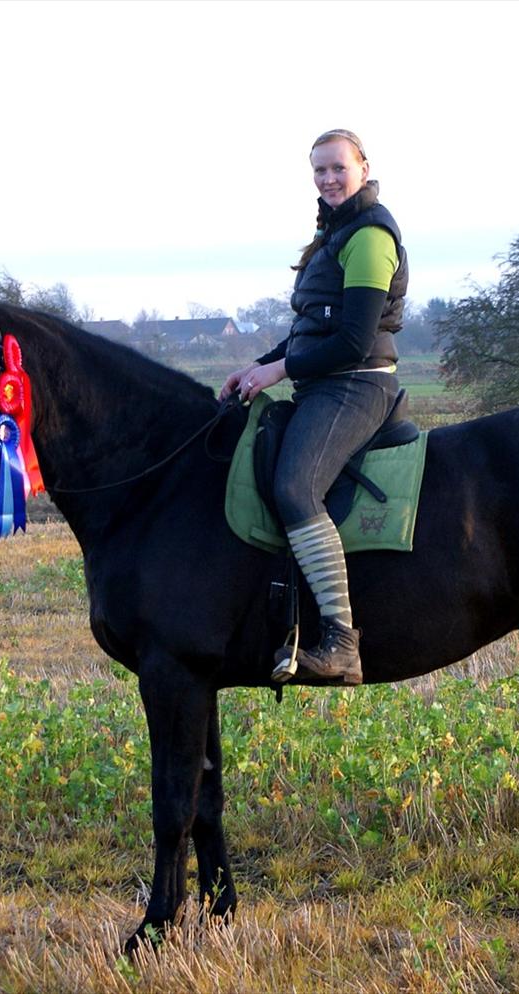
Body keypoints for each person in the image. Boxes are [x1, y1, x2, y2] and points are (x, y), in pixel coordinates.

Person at [220, 129, 408, 686]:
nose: (328, 179)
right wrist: (255, 366)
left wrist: (279, 371)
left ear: (363, 167)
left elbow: (351, 341)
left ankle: (341, 642)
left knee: (294, 488)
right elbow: (311, 332)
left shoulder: (370, 236)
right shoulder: (335, 233)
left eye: (337, 168)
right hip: (324, 382)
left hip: (356, 385)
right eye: (319, 172)